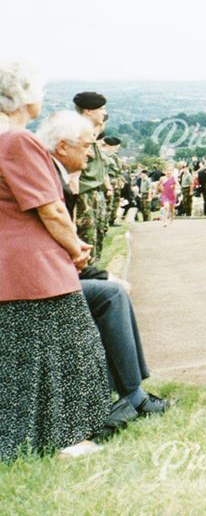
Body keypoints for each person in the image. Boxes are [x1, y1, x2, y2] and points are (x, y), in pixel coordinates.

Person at [0, 63, 109, 461]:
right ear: (25, 97)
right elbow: (51, 210)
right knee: (71, 348)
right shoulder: (18, 141)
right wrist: (76, 247)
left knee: (20, 362)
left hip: (7, 268)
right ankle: (66, 437)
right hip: (35, 265)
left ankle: (27, 438)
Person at [38, 111, 171, 419]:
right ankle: (133, 396)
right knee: (111, 294)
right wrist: (98, 273)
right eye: (85, 146)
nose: (90, 152)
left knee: (108, 289)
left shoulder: (55, 175)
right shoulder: (49, 178)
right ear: (62, 147)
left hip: (45, 274)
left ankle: (130, 392)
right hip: (37, 282)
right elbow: (54, 244)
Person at [72, 91, 111, 270]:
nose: (104, 112)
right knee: (88, 238)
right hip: (84, 194)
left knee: (99, 233)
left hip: (96, 192)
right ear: (88, 110)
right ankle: (87, 278)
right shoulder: (76, 132)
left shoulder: (90, 131)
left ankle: (95, 274)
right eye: (101, 109)